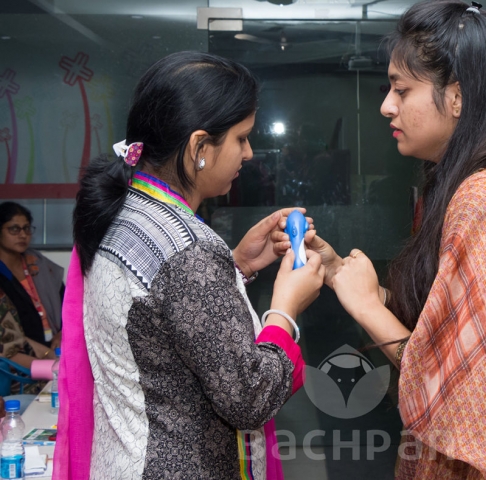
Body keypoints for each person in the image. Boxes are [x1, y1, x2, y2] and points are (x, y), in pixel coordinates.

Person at [294, 1, 486, 478]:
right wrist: (342, 275)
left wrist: (365, 306)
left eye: (401, 89)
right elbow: (451, 326)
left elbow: (457, 385)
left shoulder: (485, 196)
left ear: (457, 97)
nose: (387, 105)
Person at [53, 51, 324, 479]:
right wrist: (285, 309)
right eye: (241, 138)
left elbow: (160, 320)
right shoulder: (189, 250)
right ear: (199, 147)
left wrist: (235, 265)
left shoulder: (123, 210)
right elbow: (250, 397)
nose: (249, 153)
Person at [0, 202, 63, 371]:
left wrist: (62, 333)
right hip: (16, 356)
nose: (22, 235)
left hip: (52, 349)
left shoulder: (41, 266)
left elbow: (68, 304)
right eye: (14, 229)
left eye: (26, 228)